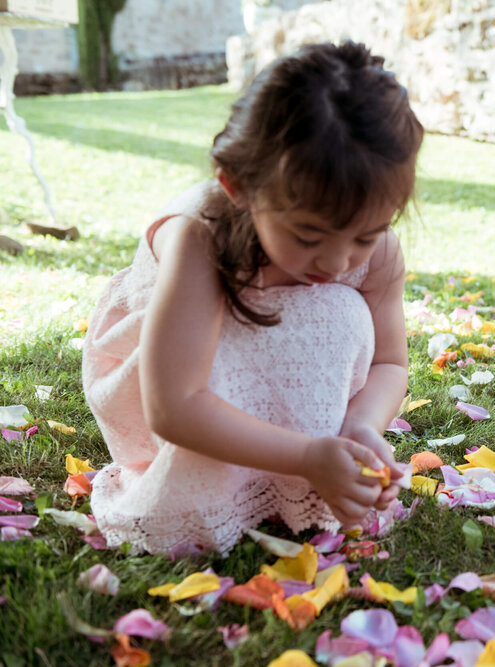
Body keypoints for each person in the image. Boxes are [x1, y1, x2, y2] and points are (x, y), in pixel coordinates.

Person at [81, 42, 423, 555]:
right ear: (238, 187)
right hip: (178, 381)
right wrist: (308, 455)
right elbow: (173, 406)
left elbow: (391, 362)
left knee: (341, 313)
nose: (336, 262)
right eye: (308, 237)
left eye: (365, 235)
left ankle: (289, 476)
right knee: (318, 317)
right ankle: (244, 482)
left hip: (269, 390)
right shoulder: (200, 237)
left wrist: (358, 430)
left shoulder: (378, 253)